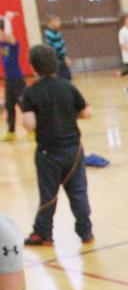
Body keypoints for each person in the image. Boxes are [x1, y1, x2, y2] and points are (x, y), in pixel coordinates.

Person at [18, 44, 91, 247]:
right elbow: (85, 112)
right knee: (78, 193)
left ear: (33, 67)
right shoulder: (67, 86)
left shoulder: (31, 92)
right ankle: (86, 232)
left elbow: (29, 124)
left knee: (48, 195)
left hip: (48, 152)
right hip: (74, 150)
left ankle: (43, 234)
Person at [2, 11, 24, 141]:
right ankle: (11, 132)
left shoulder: (13, 45)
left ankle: (33, 129)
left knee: (23, 105)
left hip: (17, 80)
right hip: (9, 81)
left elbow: (8, 33)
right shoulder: (2, 44)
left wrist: (8, 19)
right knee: (9, 107)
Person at [41, 15, 69, 80]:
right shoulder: (48, 34)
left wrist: (65, 57)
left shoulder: (57, 32)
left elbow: (61, 46)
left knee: (67, 77)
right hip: (56, 60)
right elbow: (52, 49)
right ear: (51, 22)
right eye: (57, 21)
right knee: (63, 78)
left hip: (61, 59)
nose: (60, 23)